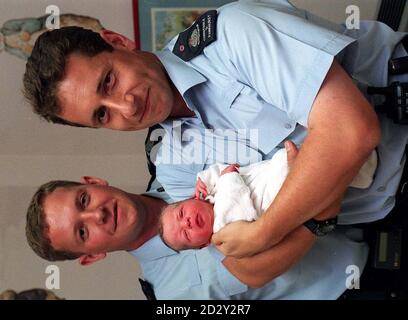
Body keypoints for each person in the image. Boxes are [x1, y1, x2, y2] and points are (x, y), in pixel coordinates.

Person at [22, 0, 407, 296]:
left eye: (109, 82)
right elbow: (248, 263)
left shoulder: (228, 37)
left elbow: (351, 131)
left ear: (118, 43)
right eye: (102, 116)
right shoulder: (174, 166)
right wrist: (310, 202)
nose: (127, 107)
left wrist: (265, 232)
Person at [25, 162, 368, 300]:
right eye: (82, 233)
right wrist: (321, 205)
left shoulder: (177, 164)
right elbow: (259, 269)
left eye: (84, 199)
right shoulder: (174, 296)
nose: (97, 214)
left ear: (94, 182)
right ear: (93, 256)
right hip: (367, 281)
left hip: (369, 192)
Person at [160, 143, 377, 251]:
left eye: (181, 213)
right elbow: (238, 200)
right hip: (280, 189)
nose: (186, 222)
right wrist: (226, 177)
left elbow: (219, 170)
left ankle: (356, 159)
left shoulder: (211, 195)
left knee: (324, 159)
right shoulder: (221, 228)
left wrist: (205, 179)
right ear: (203, 245)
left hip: (279, 172)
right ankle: (360, 164)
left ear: (192, 198)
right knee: (318, 171)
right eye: (186, 234)